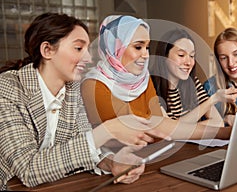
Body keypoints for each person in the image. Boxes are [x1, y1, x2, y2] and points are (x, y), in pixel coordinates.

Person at [0, 12, 168, 190]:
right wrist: (108, 131)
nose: (88, 58)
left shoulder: (73, 90)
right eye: (79, 49)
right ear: (47, 50)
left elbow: (82, 144)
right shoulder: (7, 89)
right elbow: (28, 170)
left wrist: (112, 163)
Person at [81, 15, 232, 141]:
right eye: (138, 47)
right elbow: (139, 132)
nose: (146, 54)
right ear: (115, 47)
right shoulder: (94, 84)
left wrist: (222, 133)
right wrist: (221, 132)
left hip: (148, 158)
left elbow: (160, 125)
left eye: (147, 47)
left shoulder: (143, 80)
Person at [150, 28, 237, 126]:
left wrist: (183, 128)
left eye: (192, 56)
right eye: (181, 55)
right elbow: (169, 130)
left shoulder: (192, 82)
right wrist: (213, 99)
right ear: (164, 56)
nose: (189, 62)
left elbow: (217, 122)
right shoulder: (150, 87)